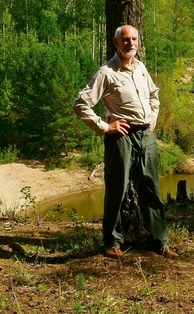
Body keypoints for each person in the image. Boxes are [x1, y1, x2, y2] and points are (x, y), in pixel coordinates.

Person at [73, 24, 177, 259]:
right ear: (116, 43)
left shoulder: (140, 68)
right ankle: (112, 243)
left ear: (138, 42)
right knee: (117, 191)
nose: (130, 43)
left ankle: (159, 240)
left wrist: (152, 119)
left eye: (134, 39)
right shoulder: (107, 72)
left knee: (151, 189)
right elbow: (80, 104)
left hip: (146, 136)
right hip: (121, 137)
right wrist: (104, 126)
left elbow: (154, 94)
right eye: (125, 39)